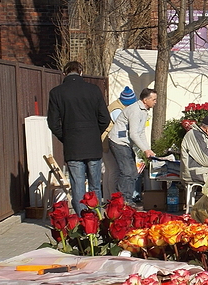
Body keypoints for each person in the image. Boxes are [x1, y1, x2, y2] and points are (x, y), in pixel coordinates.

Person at [47, 61, 111, 215]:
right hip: (93, 145)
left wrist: (66, 137)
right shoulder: (94, 90)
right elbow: (105, 118)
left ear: (64, 73)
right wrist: (96, 133)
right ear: (81, 72)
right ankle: (96, 219)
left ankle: (83, 221)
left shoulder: (56, 93)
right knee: (95, 185)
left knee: (78, 186)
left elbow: (53, 123)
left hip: (73, 146)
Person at [108, 88, 157, 205]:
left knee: (133, 172)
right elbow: (133, 134)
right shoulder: (135, 110)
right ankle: (123, 200)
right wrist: (145, 150)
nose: (155, 102)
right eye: (154, 99)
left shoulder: (144, 111)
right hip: (118, 141)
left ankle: (127, 199)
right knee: (127, 171)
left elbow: (141, 133)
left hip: (126, 142)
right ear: (145, 100)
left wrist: (148, 149)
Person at [102, 86, 138, 201]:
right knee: (114, 171)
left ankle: (108, 199)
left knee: (109, 171)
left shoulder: (117, 106)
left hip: (106, 141)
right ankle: (113, 198)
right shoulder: (117, 110)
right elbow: (123, 126)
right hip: (109, 142)